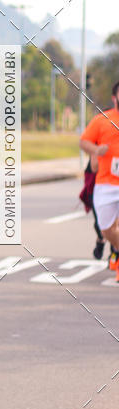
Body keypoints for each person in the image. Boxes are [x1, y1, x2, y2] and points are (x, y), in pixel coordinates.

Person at [79, 81, 119, 279]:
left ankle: (116, 259)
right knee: (105, 227)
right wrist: (96, 151)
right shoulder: (102, 122)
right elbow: (85, 146)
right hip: (104, 184)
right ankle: (110, 246)